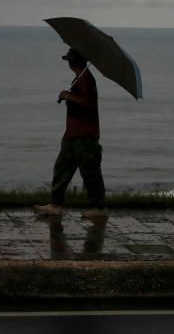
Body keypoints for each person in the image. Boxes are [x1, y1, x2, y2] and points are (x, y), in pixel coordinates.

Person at [34, 48, 107, 219]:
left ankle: (99, 207)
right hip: (72, 135)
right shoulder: (80, 79)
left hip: (85, 136)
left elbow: (87, 102)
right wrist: (69, 95)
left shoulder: (87, 79)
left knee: (90, 173)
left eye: (69, 60)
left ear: (72, 62)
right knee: (61, 169)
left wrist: (68, 96)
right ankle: (56, 205)